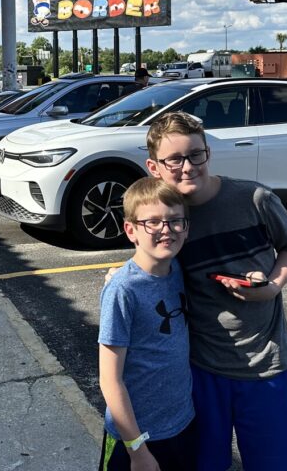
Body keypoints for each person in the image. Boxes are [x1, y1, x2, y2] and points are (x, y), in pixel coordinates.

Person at [144, 111, 287, 471]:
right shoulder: (167, 218)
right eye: (174, 159)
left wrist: (273, 285)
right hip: (201, 370)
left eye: (195, 154)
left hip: (265, 365)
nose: (187, 167)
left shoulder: (254, 199)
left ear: (207, 154)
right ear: (154, 167)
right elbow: (146, 263)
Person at [98, 177, 197, 471]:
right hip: (135, 440)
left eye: (174, 221)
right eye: (152, 223)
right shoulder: (122, 290)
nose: (165, 230)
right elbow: (110, 379)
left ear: (186, 227)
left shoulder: (178, 268)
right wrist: (136, 450)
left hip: (182, 426)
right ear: (131, 230)